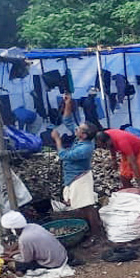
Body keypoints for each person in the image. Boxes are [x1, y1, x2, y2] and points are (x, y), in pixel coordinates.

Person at [50, 93, 102, 239]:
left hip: (80, 178)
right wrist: (68, 104)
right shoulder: (83, 139)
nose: (76, 129)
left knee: (87, 206)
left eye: (79, 129)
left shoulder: (85, 148)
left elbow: (64, 156)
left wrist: (57, 140)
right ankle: (91, 228)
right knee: (81, 206)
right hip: (74, 177)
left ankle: (95, 234)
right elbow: (68, 120)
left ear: (84, 135)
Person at [95, 128, 140, 216]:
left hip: (139, 150)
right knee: (124, 177)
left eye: (104, 146)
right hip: (126, 153)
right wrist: (114, 160)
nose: (104, 149)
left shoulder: (122, 143)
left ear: (107, 142)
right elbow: (111, 147)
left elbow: (133, 163)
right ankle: (134, 202)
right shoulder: (105, 135)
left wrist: (139, 183)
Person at [0, 211, 69, 273]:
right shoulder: (33, 226)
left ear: (13, 229)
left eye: (8, 229)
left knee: (16, 265)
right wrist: (14, 252)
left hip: (53, 263)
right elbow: (34, 247)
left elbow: (26, 260)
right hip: (61, 256)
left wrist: (9, 259)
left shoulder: (24, 238)